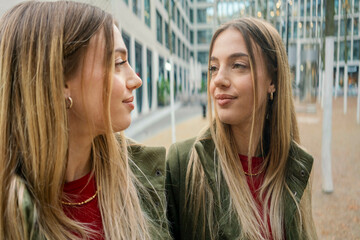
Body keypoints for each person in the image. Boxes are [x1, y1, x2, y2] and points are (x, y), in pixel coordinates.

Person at [0, 1, 170, 239]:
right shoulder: (9, 213)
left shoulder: (148, 177)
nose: (135, 80)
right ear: (59, 81)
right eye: (118, 63)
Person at [166, 17, 318, 240]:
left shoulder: (294, 166)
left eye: (238, 65)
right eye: (213, 67)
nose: (219, 79)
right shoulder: (182, 164)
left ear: (272, 80)